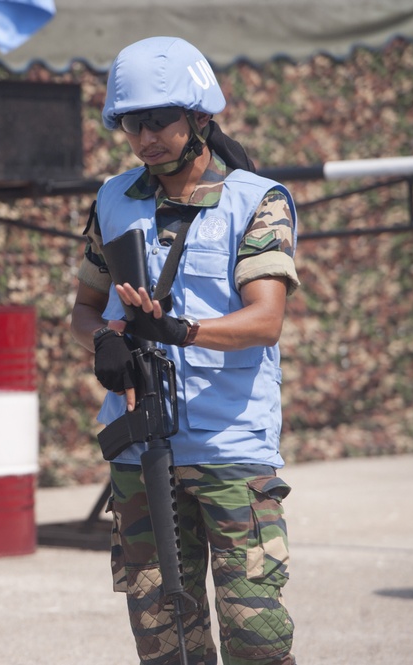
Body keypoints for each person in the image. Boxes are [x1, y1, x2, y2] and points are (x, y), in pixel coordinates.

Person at [70, 37, 300, 665]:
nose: (144, 137)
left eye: (158, 121)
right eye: (131, 123)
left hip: (229, 448)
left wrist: (180, 331)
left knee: (256, 637)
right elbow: (85, 308)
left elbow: (265, 320)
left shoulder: (256, 199)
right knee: (164, 637)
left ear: (199, 118)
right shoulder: (114, 199)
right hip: (140, 444)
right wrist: (107, 341)